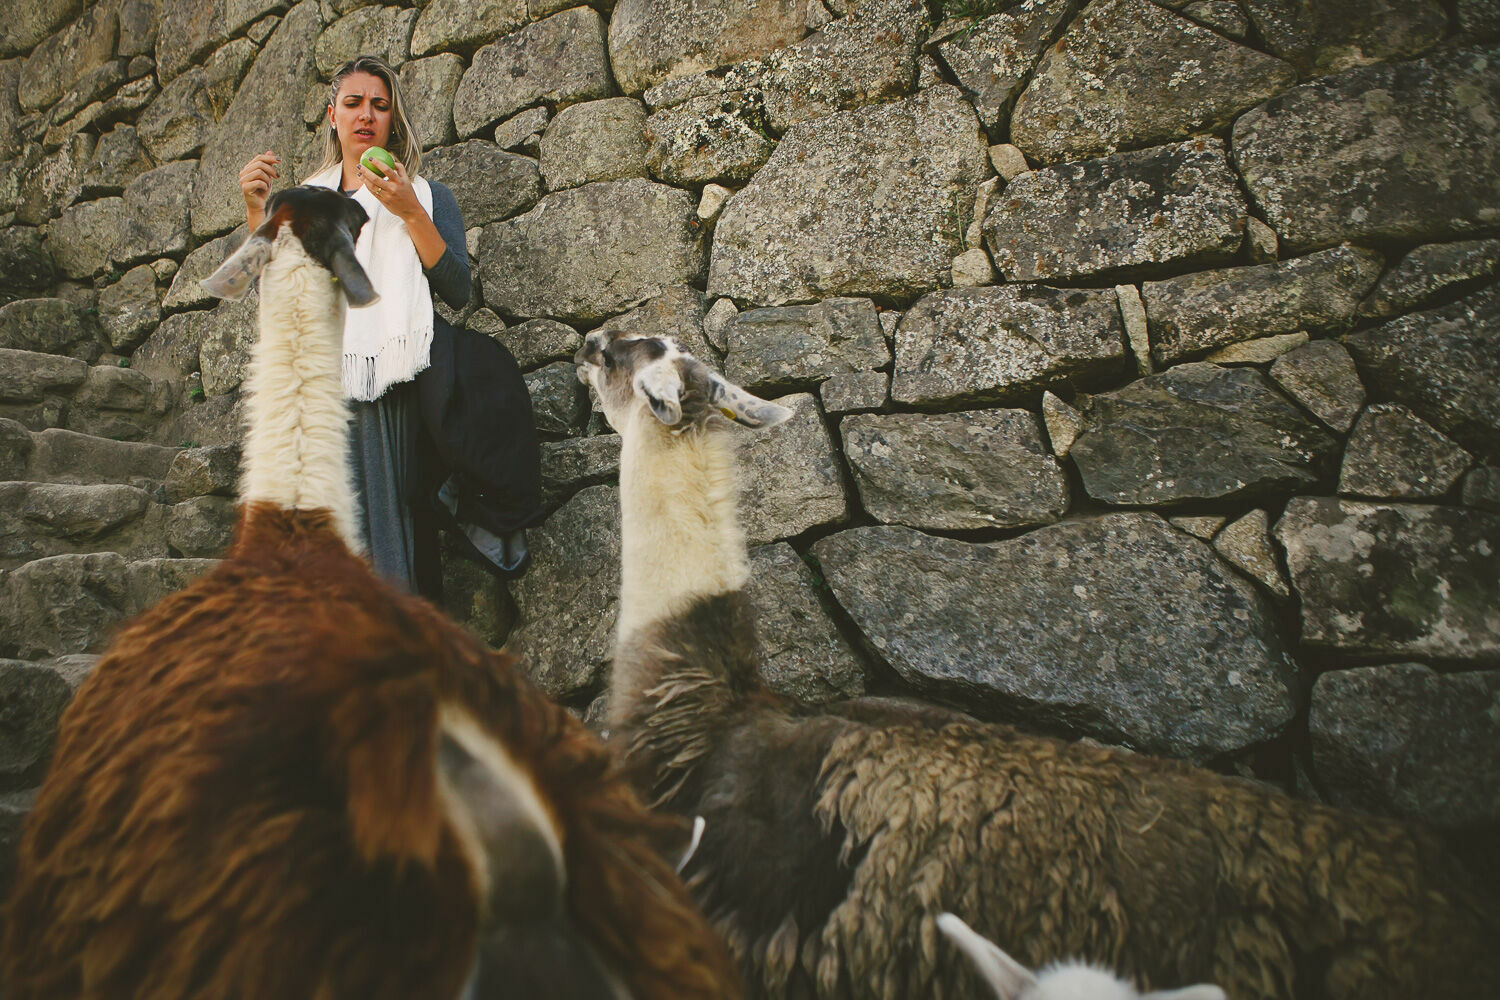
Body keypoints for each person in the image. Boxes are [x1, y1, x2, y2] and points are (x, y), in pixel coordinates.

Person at [237, 54, 540, 597]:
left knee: (394, 534)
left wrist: (410, 213)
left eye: (379, 105)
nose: (365, 115)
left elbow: (455, 288)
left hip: (396, 388)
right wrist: (256, 211)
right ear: (333, 115)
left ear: (391, 121)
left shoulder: (425, 195)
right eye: (353, 103)